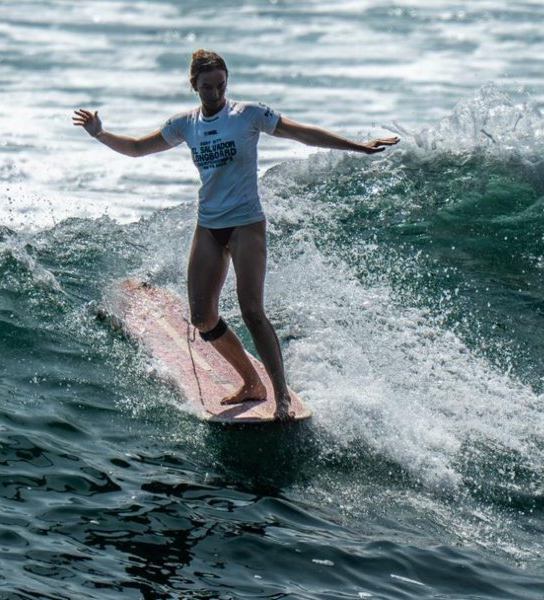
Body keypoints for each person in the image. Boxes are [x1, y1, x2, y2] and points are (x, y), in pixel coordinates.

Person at [73, 49, 399, 421]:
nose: (215, 92)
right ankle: (250, 382)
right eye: (207, 86)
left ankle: (281, 398)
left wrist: (356, 146)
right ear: (193, 85)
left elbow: (301, 134)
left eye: (221, 85)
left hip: (246, 223)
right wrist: (99, 134)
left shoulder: (248, 115)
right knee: (201, 316)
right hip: (210, 225)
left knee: (252, 312)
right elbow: (135, 148)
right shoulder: (185, 124)